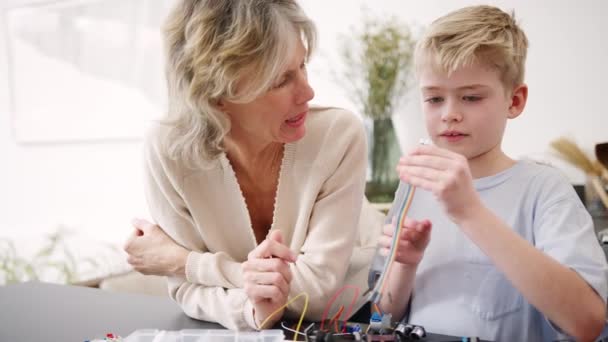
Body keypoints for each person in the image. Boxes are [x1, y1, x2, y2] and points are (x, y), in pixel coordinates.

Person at [123, 0, 383, 331]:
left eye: (303, 66)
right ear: (217, 94)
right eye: (280, 80)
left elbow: (317, 294)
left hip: (352, 321)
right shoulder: (169, 150)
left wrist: (183, 261)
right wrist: (254, 310)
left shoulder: (337, 135)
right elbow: (186, 290)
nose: (307, 91)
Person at [371, 5, 608, 341]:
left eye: (470, 97)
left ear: (515, 100)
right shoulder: (414, 187)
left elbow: (587, 322)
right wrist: (404, 266)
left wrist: (469, 212)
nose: (450, 114)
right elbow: (382, 317)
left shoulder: (544, 190)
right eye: (434, 98)